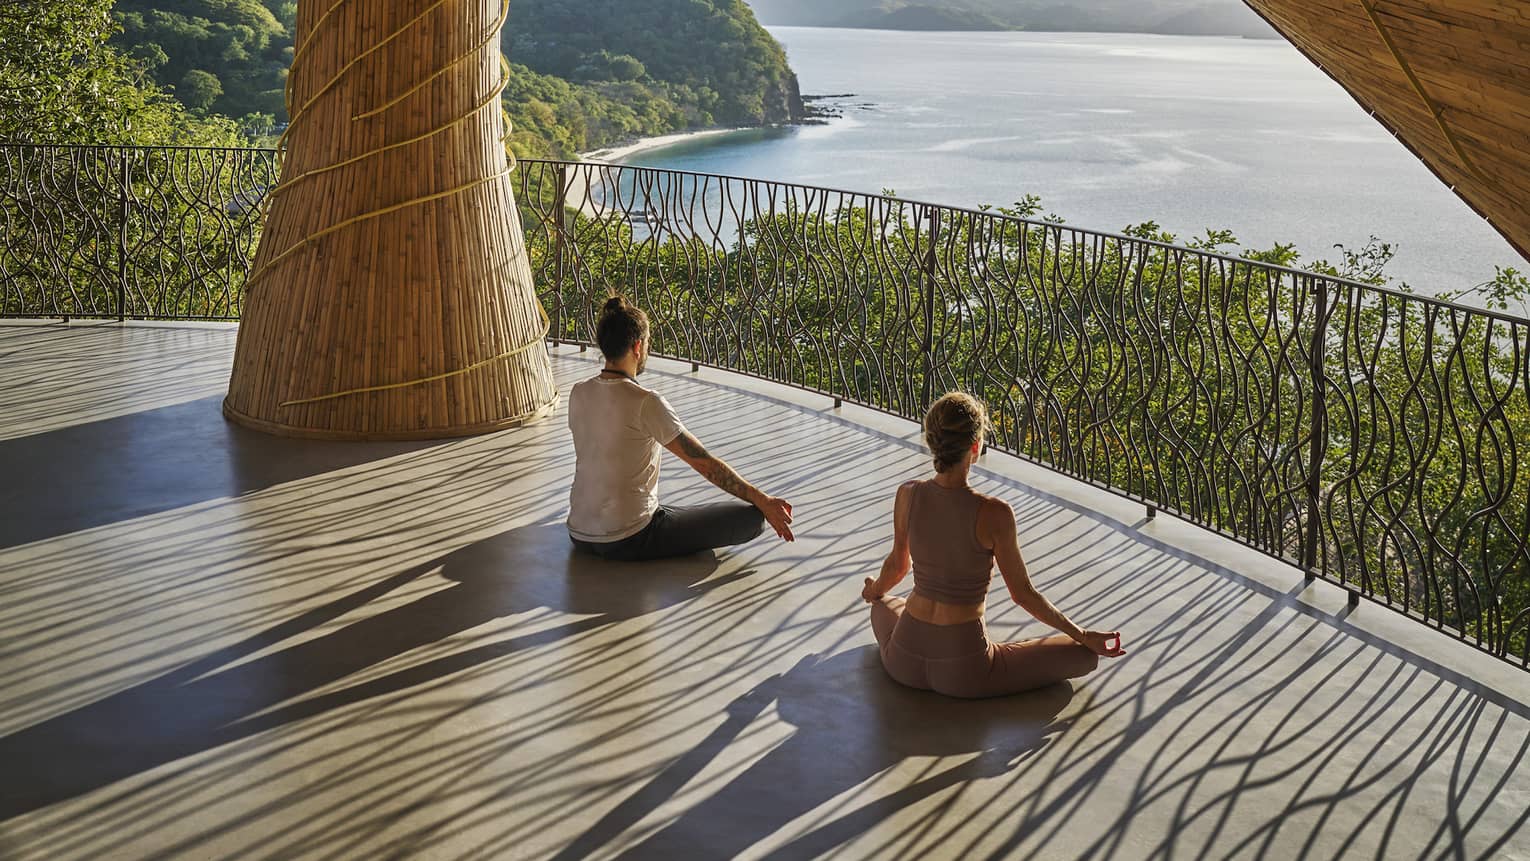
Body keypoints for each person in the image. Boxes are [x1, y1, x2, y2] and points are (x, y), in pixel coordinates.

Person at [862, 392, 1125, 697]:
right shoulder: (994, 513)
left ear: (932, 441)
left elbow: (898, 566)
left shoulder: (908, 493)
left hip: (903, 661)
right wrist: (1082, 634)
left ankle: (891, 616)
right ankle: (1003, 654)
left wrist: (873, 591)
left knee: (883, 604)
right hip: (965, 671)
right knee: (1083, 656)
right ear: (975, 446)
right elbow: (1023, 595)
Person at [566, 296, 795, 561]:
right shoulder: (645, 401)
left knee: (665, 510)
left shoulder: (578, 392)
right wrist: (763, 500)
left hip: (579, 534)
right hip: (630, 538)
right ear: (637, 346)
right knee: (752, 519)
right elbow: (705, 464)